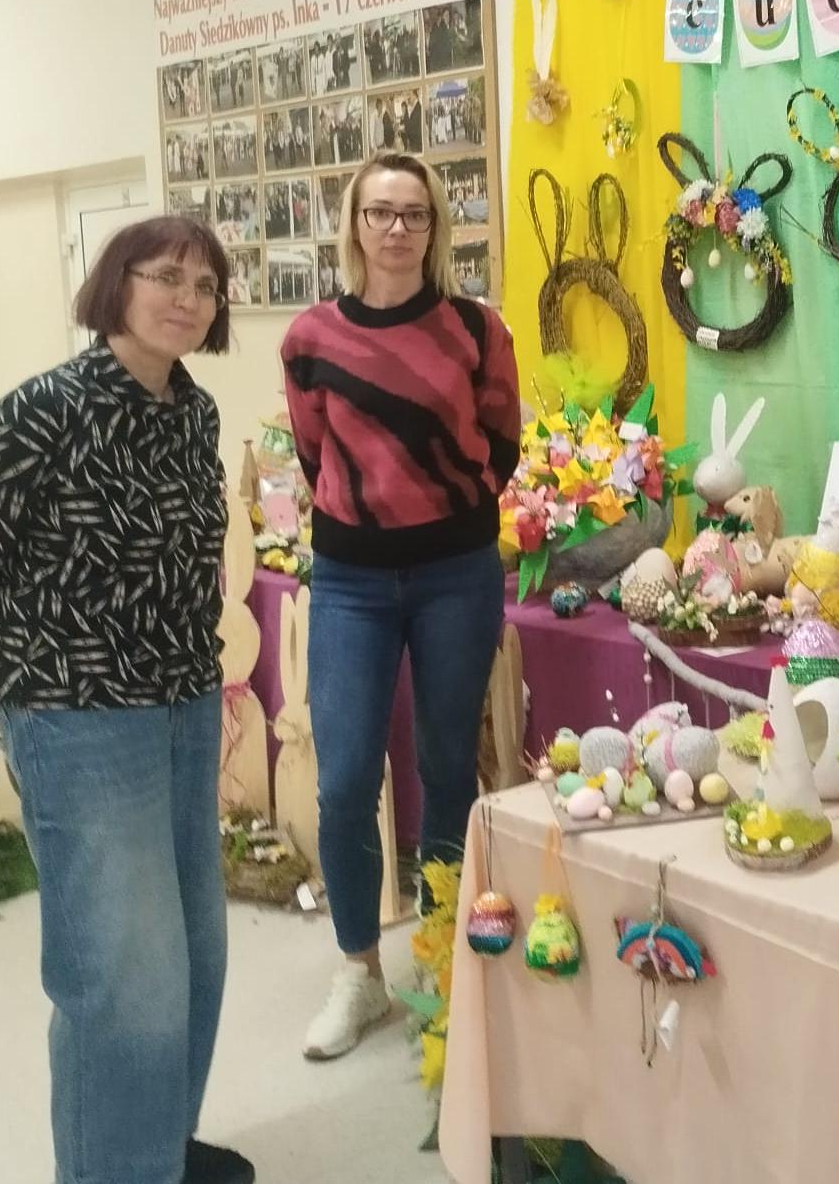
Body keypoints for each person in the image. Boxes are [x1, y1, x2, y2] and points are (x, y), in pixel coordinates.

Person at [0, 218, 251, 1184]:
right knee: (122, 971)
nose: (187, 299)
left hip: (183, 704)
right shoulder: (41, 412)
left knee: (195, 953)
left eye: (205, 285)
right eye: (166, 277)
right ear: (117, 284)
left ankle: (157, 1147)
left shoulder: (193, 413)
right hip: (78, 714)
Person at [281, 153, 520, 1062]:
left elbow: (502, 441)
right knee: (345, 779)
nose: (396, 229)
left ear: (435, 228)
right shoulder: (310, 338)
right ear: (354, 223)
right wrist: (375, 510)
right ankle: (359, 974)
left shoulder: (475, 329)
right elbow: (315, 453)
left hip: (458, 573)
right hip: (351, 582)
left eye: (414, 213)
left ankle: (440, 952)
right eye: (380, 212)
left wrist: (442, 505)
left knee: (448, 765)